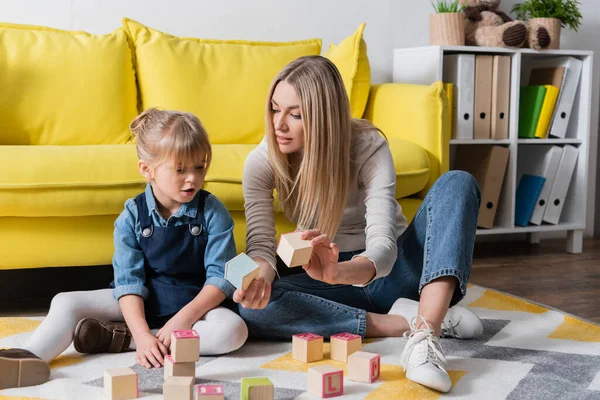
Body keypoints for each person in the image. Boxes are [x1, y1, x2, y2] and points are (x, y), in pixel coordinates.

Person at [234, 55, 483, 393]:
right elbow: (260, 246)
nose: (278, 124)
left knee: (458, 182)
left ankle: (425, 333)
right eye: (275, 109)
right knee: (251, 310)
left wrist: (340, 271)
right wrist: (259, 281)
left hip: (390, 273)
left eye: (295, 115)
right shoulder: (262, 160)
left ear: (325, 118)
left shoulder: (367, 146)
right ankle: (401, 322)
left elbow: (383, 246)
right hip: (326, 282)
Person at [0, 108, 248, 390]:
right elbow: (128, 281)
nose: (192, 178)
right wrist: (142, 331)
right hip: (144, 300)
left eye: (199, 167)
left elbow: (221, 277)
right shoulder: (131, 216)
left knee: (234, 331)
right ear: (147, 169)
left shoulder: (213, 211)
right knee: (66, 302)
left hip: (195, 306)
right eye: (180, 170)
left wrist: (181, 320)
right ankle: (28, 358)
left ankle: (121, 339)